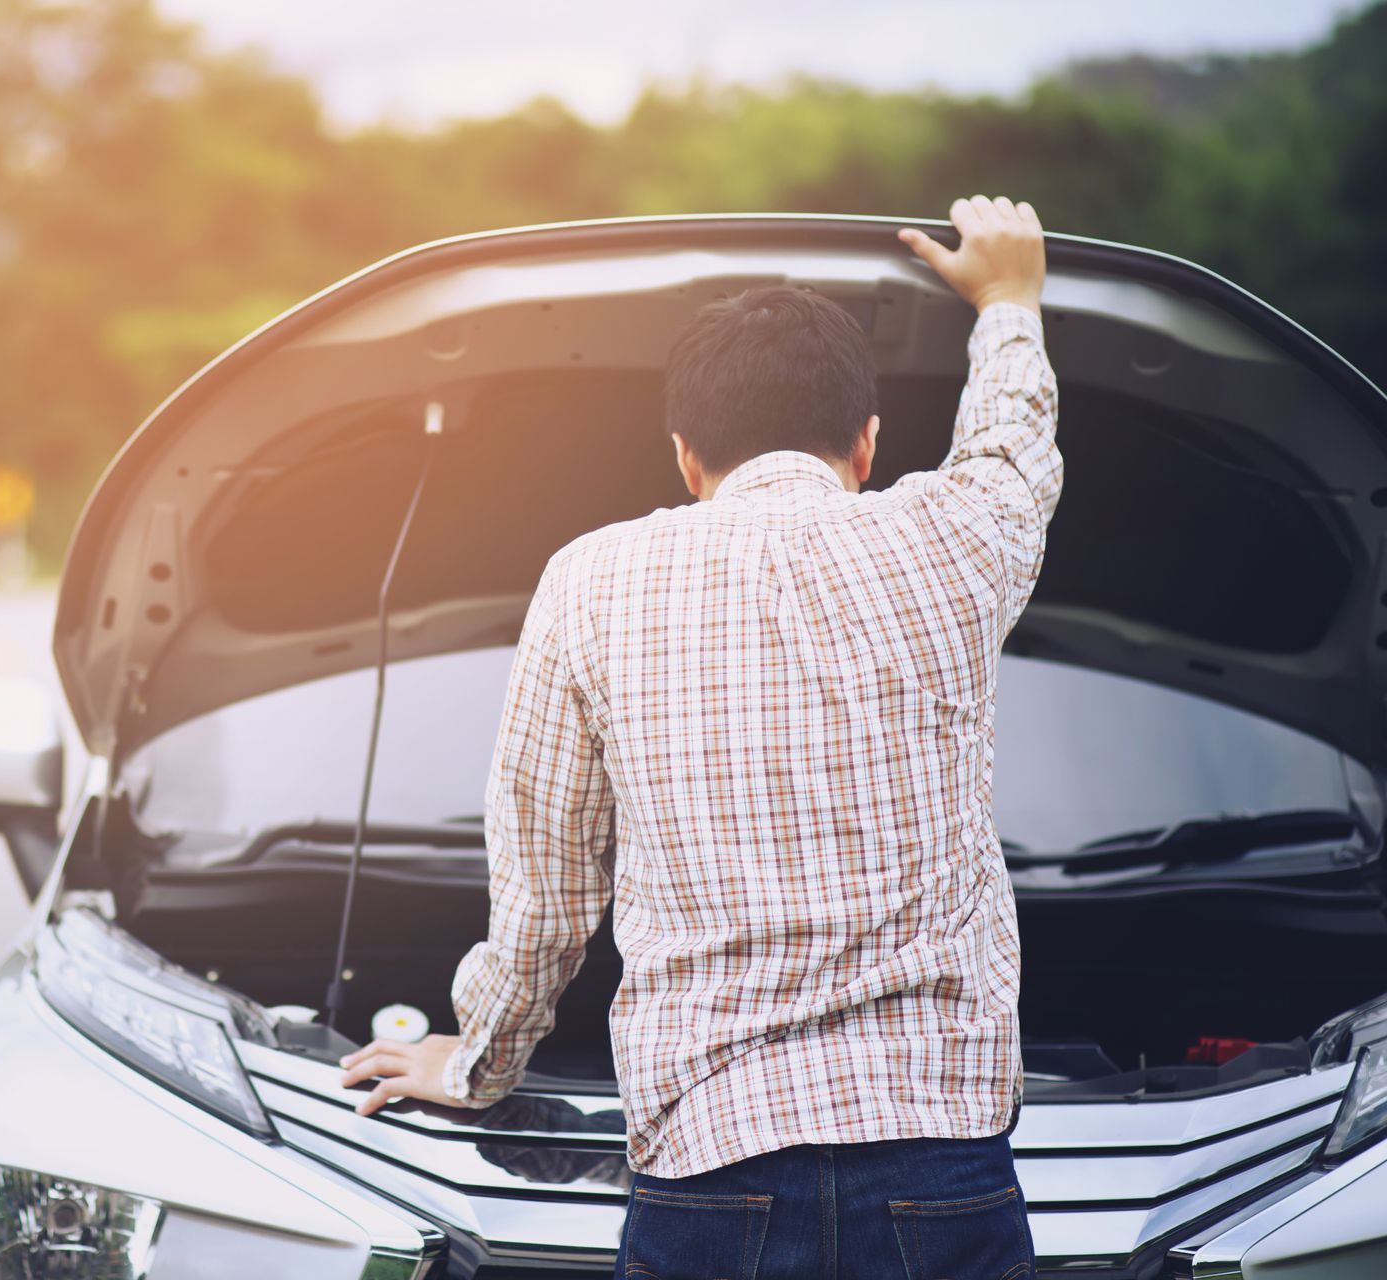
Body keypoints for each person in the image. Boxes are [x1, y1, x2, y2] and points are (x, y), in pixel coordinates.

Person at [340, 195, 1061, 1278]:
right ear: (866, 446)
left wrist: (477, 1059)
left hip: (711, 1176)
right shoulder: (951, 540)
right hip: (941, 1168)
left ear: (684, 456)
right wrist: (1009, 301)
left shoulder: (592, 582)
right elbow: (1012, 451)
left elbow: (547, 889)